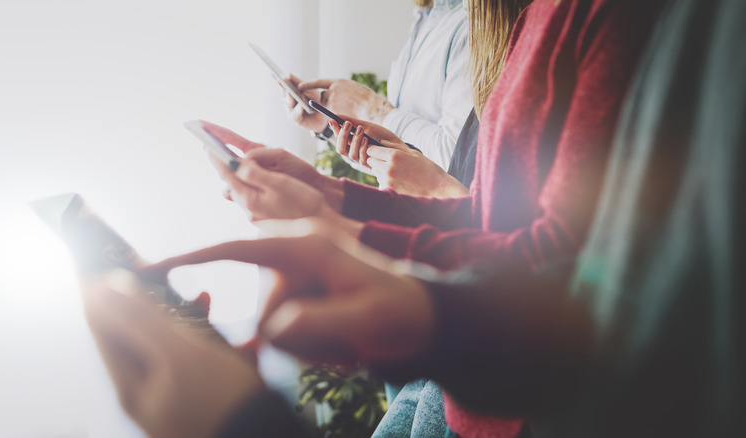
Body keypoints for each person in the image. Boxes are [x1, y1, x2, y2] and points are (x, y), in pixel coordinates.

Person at [83, 0, 746, 435]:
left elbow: (583, 274)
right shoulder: (532, 23)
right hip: (470, 379)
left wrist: (239, 422)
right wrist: (333, 197)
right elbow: (491, 217)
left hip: (510, 399)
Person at [285, 0, 473, 190]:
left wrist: (372, 107)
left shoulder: (469, 25)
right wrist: (327, 126)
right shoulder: (425, 19)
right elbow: (400, 169)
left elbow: (458, 164)